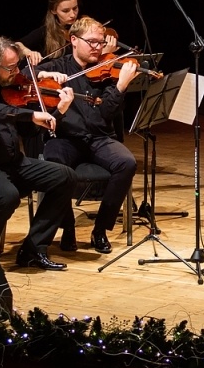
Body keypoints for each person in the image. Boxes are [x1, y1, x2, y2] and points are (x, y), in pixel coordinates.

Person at [0, 37, 77, 270]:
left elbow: (28, 131)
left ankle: (33, 249)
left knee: (65, 176)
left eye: (17, 65)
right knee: (7, 196)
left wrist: (56, 111)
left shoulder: (10, 87)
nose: (17, 72)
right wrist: (28, 115)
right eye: (10, 68)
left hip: (10, 162)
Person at [37, 15, 138, 254]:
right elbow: (25, 75)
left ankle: (100, 230)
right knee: (54, 165)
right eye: (92, 42)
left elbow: (105, 115)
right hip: (64, 138)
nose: (97, 47)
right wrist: (45, 76)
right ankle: (68, 227)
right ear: (73, 40)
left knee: (127, 163)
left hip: (98, 137)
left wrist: (120, 87)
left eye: (101, 43)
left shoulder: (106, 73)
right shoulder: (58, 67)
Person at [20, 0, 81, 65]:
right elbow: (16, 45)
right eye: (65, 11)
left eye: (75, 8)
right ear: (53, 11)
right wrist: (28, 52)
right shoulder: (45, 31)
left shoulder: (85, 25)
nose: (72, 15)